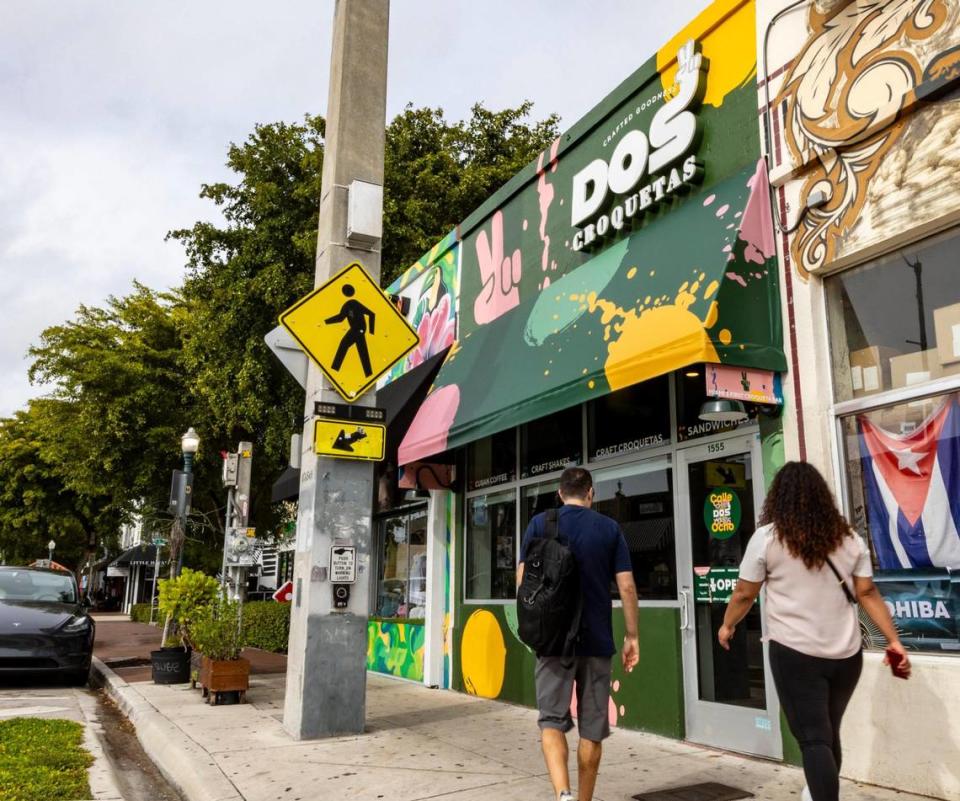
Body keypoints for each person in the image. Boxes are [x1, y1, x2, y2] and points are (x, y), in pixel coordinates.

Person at [718, 461, 910, 801]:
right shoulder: (849, 539)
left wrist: (728, 624)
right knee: (827, 733)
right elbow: (867, 593)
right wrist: (893, 640)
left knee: (813, 738)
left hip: (794, 654)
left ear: (778, 498)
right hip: (846, 656)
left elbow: (745, 593)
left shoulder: (768, 539)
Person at [518, 467, 639, 801]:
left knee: (551, 723)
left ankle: (563, 795)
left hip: (553, 641)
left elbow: (523, 583)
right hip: (597, 642)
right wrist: (632, 636)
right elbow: (626, 587)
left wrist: (534, 628)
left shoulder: (540, 524)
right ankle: (584, 798)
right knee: (592, 729)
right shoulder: (609, 528)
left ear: (560, 493)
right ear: (591, 493)